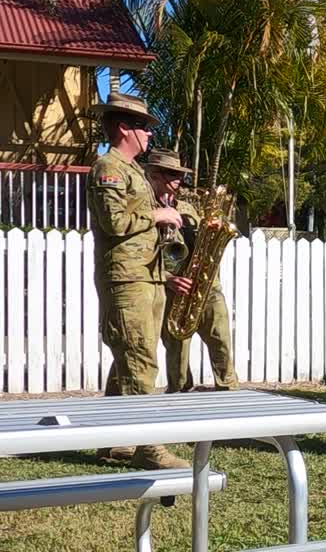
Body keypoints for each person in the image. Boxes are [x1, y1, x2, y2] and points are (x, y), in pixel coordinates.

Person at [86, 92, 187, 469]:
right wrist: (157, 216)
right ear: (124, 128)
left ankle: (114, 441)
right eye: (143, 126)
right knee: (140, 360)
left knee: (128, 359)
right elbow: (114, 223)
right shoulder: (108, 168)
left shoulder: (134, 172)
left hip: (147, 275)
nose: (149, 134)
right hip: (126, 279)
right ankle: (149, 447)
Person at [149, 149, 239, 394]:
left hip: (206, 285)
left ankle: (229, 392)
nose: (178, 180)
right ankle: (179, 396)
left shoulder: (188, 207)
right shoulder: (147, 211)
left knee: (221, 342)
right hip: (173, 290)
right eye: (171, 174)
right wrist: (167, 279)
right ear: (154, 174)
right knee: (177, 353)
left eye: (180, 175)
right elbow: (140, 254)